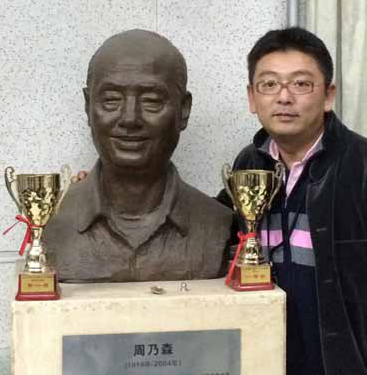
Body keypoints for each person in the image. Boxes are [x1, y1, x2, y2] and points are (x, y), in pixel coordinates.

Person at [218, 26, 367, 375]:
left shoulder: (361, 165)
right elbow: (214, 221)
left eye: (301, 84)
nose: (284, 97)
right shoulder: (249, 163)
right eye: (269, 84)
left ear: (328, 95)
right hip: (263, 358)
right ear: (252, 98)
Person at [43, 29, 233, 283]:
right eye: (111, 99)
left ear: (183, 110)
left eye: (152, 100)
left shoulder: (217, 224)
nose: (130, 118)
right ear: (88, 107)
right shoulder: (50, 220)